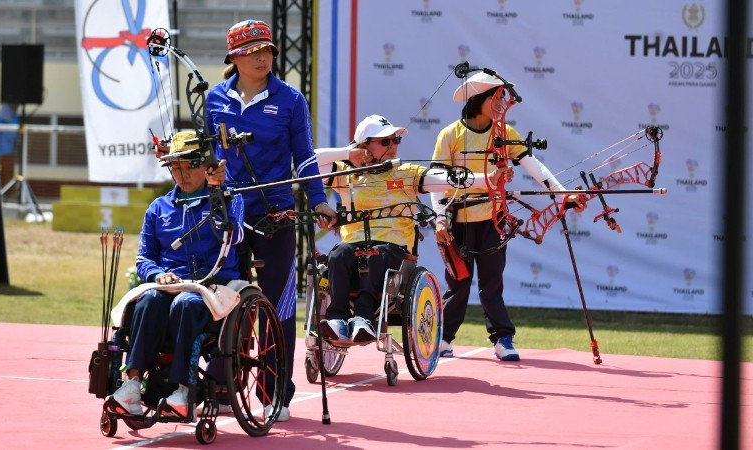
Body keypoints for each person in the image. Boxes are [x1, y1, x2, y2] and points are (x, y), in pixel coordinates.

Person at [205, 19, 337, 422]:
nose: (263, 57)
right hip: (228, 214)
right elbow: (207, 156)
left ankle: (274, 390)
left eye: (268, 50)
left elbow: (306, 155)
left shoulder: (291, 99)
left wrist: (318, 200)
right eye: (253, 51)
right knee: (223, 300)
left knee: (277, 305)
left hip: (276, 213)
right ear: (234, 58)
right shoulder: (213, 99)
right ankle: (223, 385)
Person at [431, 72, 585, 361]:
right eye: (497, 97)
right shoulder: (450, 135)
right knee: (458, 283)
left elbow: (533, 164)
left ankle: (502, 338)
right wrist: (440, 217)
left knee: (492, 283)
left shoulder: (503, 132)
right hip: (457, 221)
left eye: (504, 97)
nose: (502, 103)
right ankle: (444, 338)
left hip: (493, 219)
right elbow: (436, 181)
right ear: (479, 98)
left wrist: (564, 194)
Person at [314, 115, 506, 344]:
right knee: (337, 253)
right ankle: (337, 320)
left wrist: (488, 179)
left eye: (396, 140)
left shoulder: (407, 173)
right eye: (385, 142)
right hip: (353, 247)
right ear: (364, 146)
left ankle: (363, 318)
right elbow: (310, 160)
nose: (393, 146)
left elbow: (447, 179)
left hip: (393, 251)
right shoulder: (345, 172)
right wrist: (348, 153)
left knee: (376, 255)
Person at [110, 131, 244, 417]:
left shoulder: (230, 198)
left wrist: (218, 193)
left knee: (186, 303)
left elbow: (234, 234)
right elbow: (144, 258)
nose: (182, 174)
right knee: (147, 302)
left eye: (189, 166)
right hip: (168, 286)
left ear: (205, 168)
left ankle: (184, 390)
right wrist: (158, 274)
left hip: (213, 285)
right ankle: (132, 386)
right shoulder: (158, 208)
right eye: (176, 167)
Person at [0, 103, 19, 187]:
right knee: (6, 170)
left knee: (8, 170)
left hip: (12, 149)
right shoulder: (0, 119)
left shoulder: (15, 118)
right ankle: (5, 189)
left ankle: (5, 190)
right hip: (3, 149)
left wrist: (16, 144)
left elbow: (16, 134)